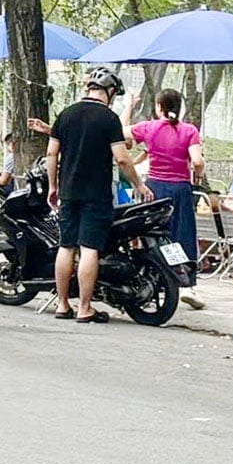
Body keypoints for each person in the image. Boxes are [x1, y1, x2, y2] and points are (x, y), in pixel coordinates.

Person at [44, 65, 151, 324]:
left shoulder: (65, 115)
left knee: (66, 246)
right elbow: (122, 159)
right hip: (96, 193)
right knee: (89, 247)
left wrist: (53, 186)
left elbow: (51, 154)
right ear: (111, 91)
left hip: (68, 191)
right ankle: (84, 307)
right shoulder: (109, 119)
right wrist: (139, 185)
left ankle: (61, 304)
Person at [130, 89, 205, 306]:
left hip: (154, 188)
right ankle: (187, 285)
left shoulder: (149, 127)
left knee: (153, 235)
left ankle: (151, 280)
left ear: (159, 107)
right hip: (180, 189)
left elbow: (121, 133)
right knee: (182, 234)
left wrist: (129, 107)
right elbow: (197, 161)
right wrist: (198, 172)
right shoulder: (189, 130)